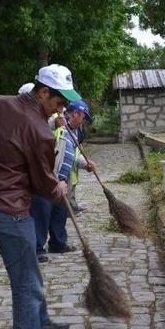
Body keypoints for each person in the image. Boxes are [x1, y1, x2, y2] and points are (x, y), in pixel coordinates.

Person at [0, 64, 81, 329]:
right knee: (25, 280)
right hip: (7, 208)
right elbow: (43, 183)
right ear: (43, 92)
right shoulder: (40, 131)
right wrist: (59, 189)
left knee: (29, 268)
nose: (62, 110)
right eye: (59, 102)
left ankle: (40, 322)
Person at [30, 100, 96, 263]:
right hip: (46, 177)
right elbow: (47, 126)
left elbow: (72, 156)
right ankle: (37, 250)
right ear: (76, 114)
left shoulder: (74, 132)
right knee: (42, 214)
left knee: (59, 213)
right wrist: (56, 122)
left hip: (62, 180)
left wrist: (85, 164)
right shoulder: (56, 123)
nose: (84, 121)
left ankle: (58, 244)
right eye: (83, 117)